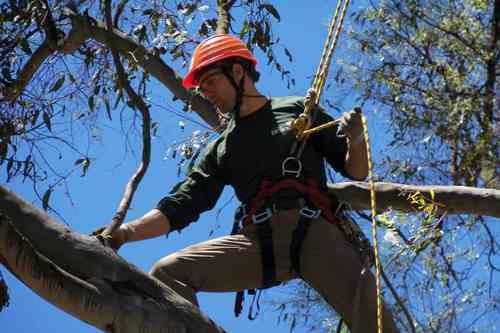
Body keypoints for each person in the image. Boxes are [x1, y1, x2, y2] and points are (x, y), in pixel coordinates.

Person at [99, 34, 400, 332]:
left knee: (378, 327)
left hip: (317, 233)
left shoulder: (297, 110)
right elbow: (181, 206)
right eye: (201, 89)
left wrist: (356, 139)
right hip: (260, 241)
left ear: (238, 72)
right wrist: (123, 234)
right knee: (169, 273)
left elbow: (355, 171)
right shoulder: (222, 148)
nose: (206, 93)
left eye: (211, 82)